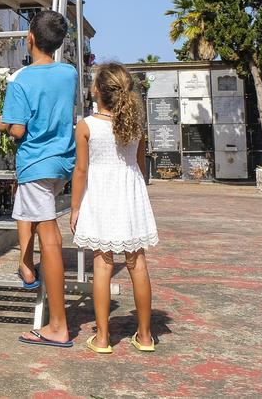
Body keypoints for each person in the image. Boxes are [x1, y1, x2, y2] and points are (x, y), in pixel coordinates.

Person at [0, 11, 77, 347]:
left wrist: (1, 122)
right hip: (62, 162)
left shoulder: (21, 81)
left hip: (36, 163)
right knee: (27, 213)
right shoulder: (69, 73)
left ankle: (57, 325)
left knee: (50, 236)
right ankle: (27, 267)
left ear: (29, 39)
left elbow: (17, 129)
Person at [70, 63, 159, 354]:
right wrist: (139, 191)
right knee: (138, 263)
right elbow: (141, 164)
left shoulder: (87, 125)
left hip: (101, 194)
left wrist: (75, 208)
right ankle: (145, 336)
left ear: (98, 91)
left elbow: (80, 171)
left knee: (102, 264)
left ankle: (103, 338)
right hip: (130, 192)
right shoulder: (134, 124)